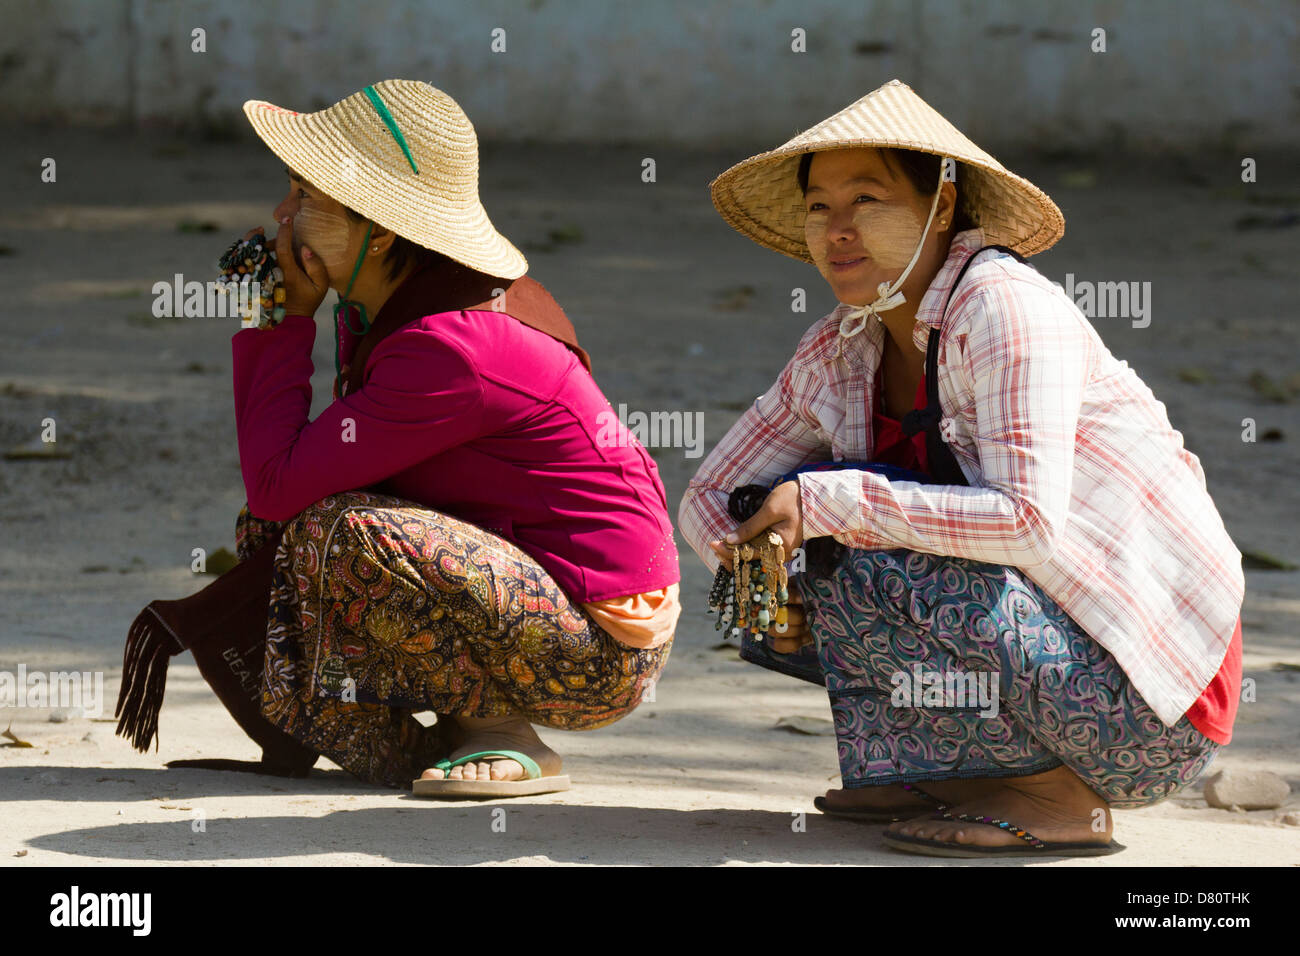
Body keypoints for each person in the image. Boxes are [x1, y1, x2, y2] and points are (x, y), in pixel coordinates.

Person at [679, 79, 1244, 856]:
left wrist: (833, 504)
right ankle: (945, 771)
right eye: (819, 207)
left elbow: (1028, 523)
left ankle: (1057, 798)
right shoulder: (843, 343)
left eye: (868, 200)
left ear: (941, 207)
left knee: (848, 544)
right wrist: (759, 572)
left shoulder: (1006, 309)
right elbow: (712, 493)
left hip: (1151, 706)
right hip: (1044, 656)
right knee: (788, 564)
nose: (836, 231)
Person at [212, 79, 679, 796]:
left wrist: (282, 322)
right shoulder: (388, 306)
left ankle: (502, 732)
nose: (281, 217)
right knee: (281, 532)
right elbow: (279, 490)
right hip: (532, 597)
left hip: (598, 655)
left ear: (382, 227)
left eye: (307, 198)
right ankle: (424, 737)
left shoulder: (450, 347)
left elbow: (277, 484)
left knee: (342, 532)